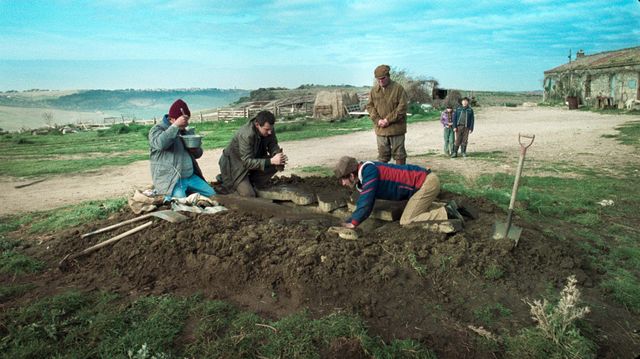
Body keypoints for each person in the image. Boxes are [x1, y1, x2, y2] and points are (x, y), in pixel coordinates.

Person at [334, 156, 461, 228]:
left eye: (343, 180)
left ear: (351, 175)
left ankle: (447, 212)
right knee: (413, 210)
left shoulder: (369, 171)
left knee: (407, 220)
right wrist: (350, 220)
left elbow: (366, 201)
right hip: (422, 185)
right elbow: (367, 203)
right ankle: (447, 207)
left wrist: (353, 223)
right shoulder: (364, 178)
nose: (343, 184)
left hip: (426, 184)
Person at [149, 99, 214, 200]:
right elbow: (160, 144)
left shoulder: (184, 130)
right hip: (172, 179)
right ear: (173, 119)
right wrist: (175, 126)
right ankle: (169, 193)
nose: (186, 124)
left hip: (190, 177)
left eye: (187, 120)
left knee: (212, 195)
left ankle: (188, 191)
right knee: (181, 202)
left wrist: (195, 150)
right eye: (184, 121)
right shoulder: (157, 129)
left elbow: (199, 153)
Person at [218, 110, 287, 197]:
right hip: (235, 165)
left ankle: (250, 182)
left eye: (271, 129)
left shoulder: (268, 128)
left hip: (252, 159)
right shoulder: (246, 134)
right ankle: (227, 179)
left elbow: (272, 144)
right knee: (249, 195)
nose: (270, 132)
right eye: (267, 130)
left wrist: (277, 155)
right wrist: (271, 161)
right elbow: (247, 162)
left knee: (276, 164)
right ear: (257, 125)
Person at [366, 65, 408, 165]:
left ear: (388, 76)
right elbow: (370, 106)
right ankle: (385, 178)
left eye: (382, 79)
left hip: (396, 129)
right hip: (381, 130)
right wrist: (377, 120)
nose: (380, 81)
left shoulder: (398, 89)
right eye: (378, 79)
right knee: (382, 157)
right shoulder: (373, 91)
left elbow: (402, 108)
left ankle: (401, 177)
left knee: (399, 155)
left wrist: (388, 120)